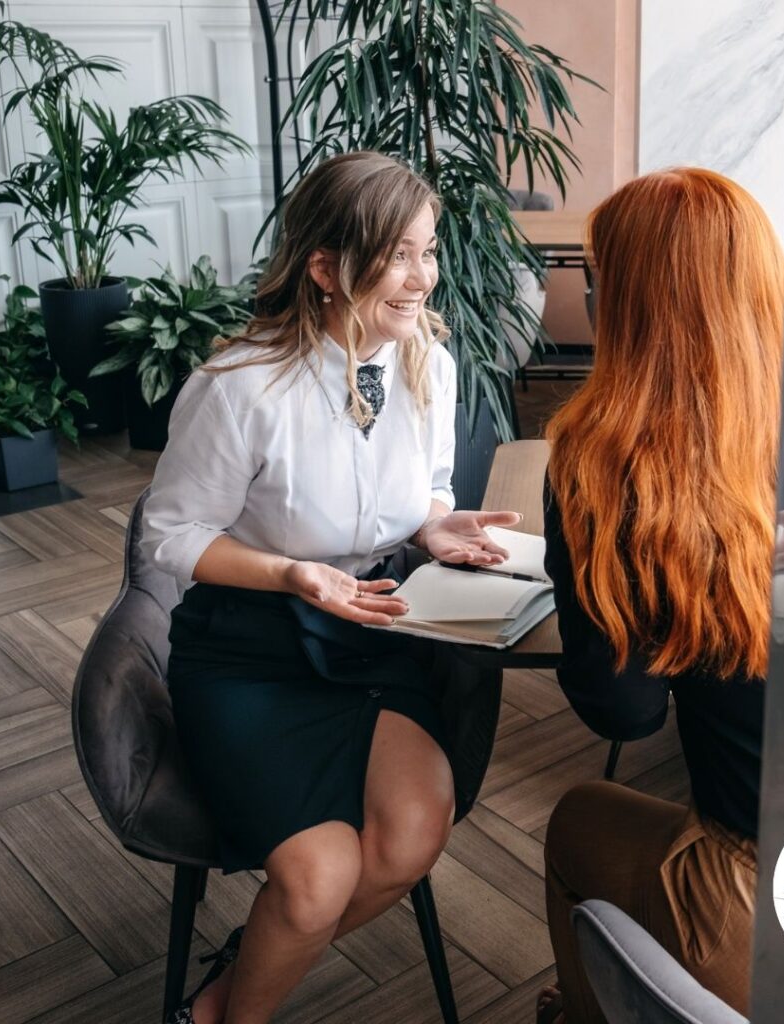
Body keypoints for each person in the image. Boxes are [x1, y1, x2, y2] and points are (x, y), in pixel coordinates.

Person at [141, 151, 519, 1024]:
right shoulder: (238, 387)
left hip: (371, 631)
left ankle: (229, 986)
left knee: (412, 836)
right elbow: (169, 536)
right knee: (320, 879)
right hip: (248, 647)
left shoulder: (429, 365)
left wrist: (431, 525)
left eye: (428, 252)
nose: (421, 278)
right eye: (397, 255)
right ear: (324, 265)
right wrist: (290, 574)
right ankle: (239, 1010)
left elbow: (426, 484)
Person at [538, 168, 784, 1023]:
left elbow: (626, 710)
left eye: (596, 281)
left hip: (770, 899)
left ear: (628, 307)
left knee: (577, 819)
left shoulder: (599, 467)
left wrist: (584, 574)